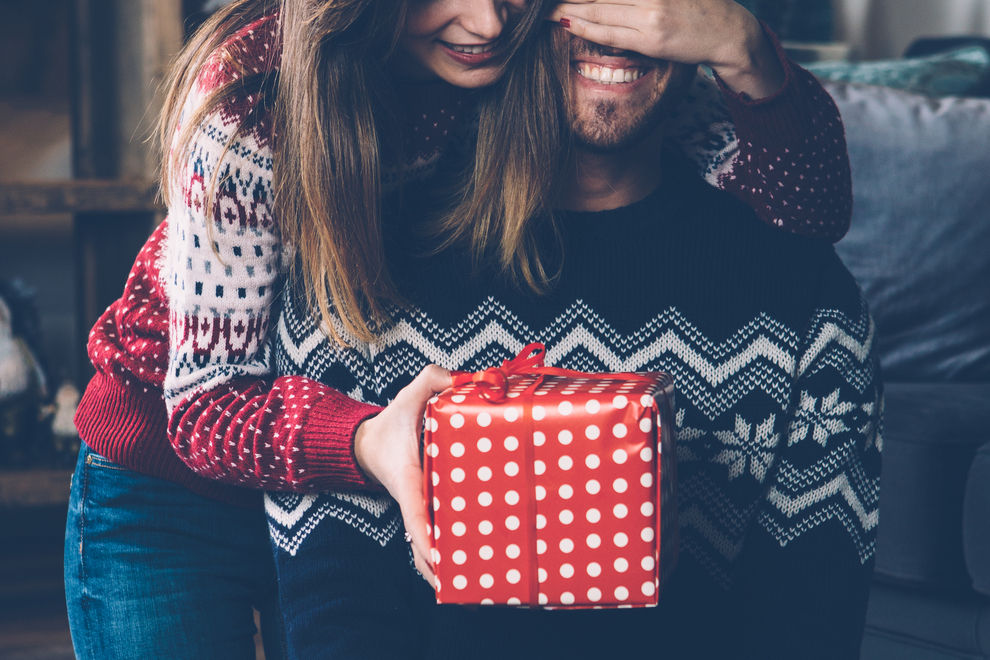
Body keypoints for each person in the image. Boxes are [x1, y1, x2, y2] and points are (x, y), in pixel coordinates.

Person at [64, 0, 853, 657]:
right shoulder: (253, 106)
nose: (486, 21)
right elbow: (204, 406)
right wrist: (371, 439)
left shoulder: (513, 59)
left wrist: (747, 51)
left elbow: (807, 212)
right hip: (173, 484)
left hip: (343, 474)